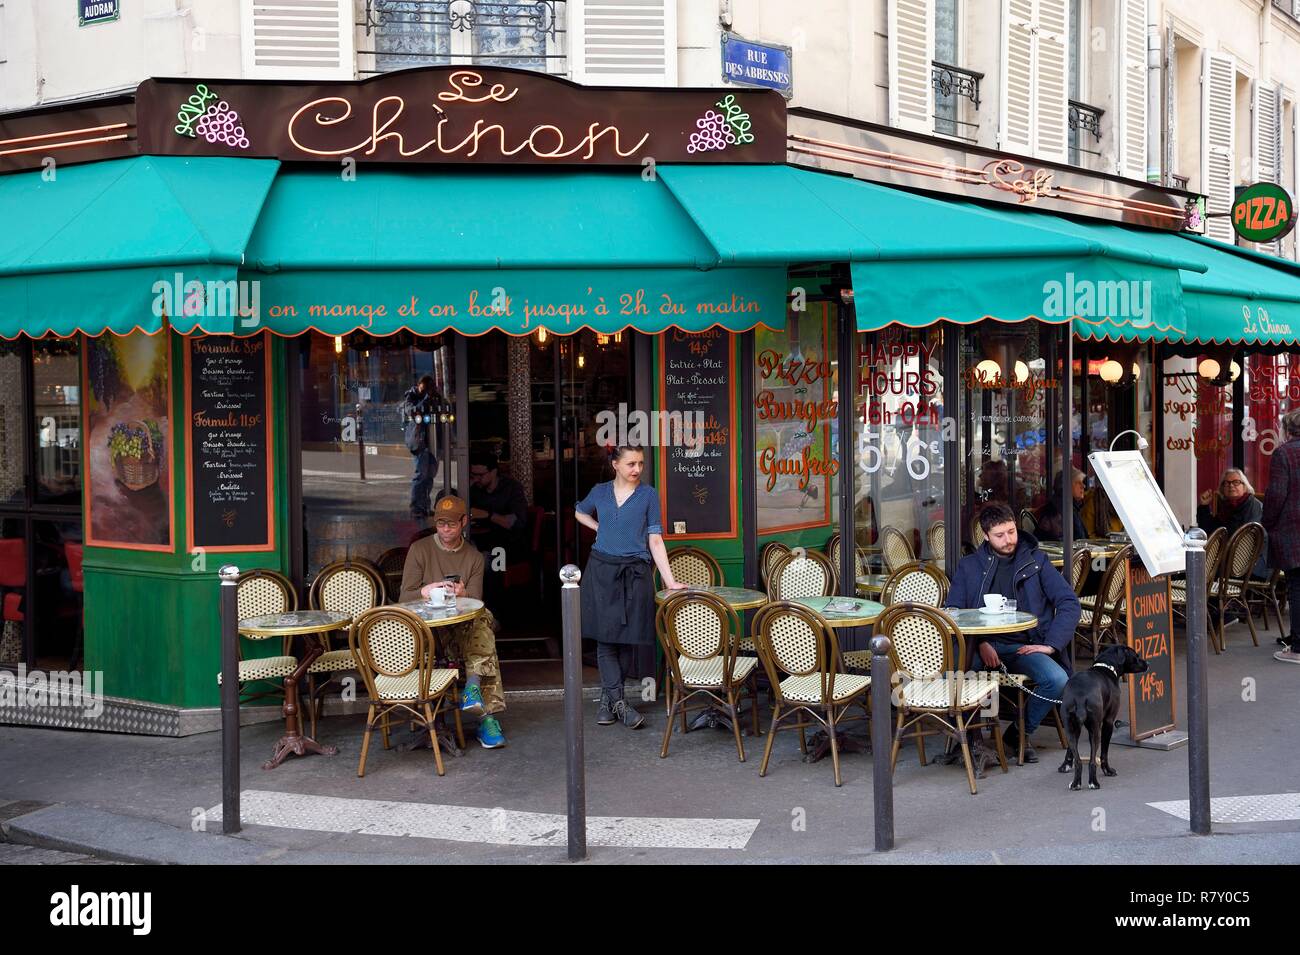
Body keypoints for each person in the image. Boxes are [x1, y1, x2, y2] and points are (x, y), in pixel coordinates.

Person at [946, 502, 1081, 762]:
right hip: (981, 646)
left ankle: (1018, 734)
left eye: (1011, 531)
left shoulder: (1037, 561)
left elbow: (1069, 603)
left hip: (1024, 645)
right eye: (999, 535)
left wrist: (1051, 644)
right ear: (985, 536)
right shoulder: (969, 566)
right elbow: (953, 612)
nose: (1008, 540)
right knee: (953, 674)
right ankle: (970, 739)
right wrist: (981, 641)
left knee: (1056, 679)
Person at [574, 445, 686, 729]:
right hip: (601, 570)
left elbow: (655, 538)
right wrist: (600, 528)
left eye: (640, 464)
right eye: (631, 464)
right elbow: (579, 512)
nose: (637, 469)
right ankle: (620, 704)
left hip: (635, 571)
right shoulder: (599, 491)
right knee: (605, 638)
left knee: (628, 638)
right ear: (615, 464)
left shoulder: (648, 494)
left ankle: (607, 700)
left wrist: (669, 580)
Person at [398, 495, 507, 748]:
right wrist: (425, 591)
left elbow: (477, 601)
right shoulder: (420, 549)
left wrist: (463, 593)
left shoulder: (474, 557)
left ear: (464, 522)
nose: (445, 529)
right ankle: (483, 713)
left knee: (483, 622)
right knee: (485, 636)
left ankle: (473, 691)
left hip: (462, 630)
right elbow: (404, 596)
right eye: (440, 523)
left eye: (451, 524)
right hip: (425, 632)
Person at [1263, 409, 1300, 664]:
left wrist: (1267, 523)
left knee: (1297, 586)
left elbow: (1276, 494)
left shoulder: (1284, 453)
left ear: (1288, 429)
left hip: (1293, 531)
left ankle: (1298, 646)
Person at [1198, 468, 1268, 579]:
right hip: (1229, 567)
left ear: (1245, 486)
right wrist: (1204, 506)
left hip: (1252, 569)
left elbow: (1249, 539)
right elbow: (1209, 532)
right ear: (1222, 488)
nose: (1231, 486)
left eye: (1236, 482)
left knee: (1199, 574)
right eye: (1227, 483)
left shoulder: (1253, 506)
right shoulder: (1227, 508)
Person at [468, 451, 529, 558]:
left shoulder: (511, 488)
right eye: (473, 475)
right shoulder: (474, 489)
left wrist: (488, 515)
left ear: (494, 472)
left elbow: (518, 523)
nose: (476, 479)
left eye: (480, 475)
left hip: (506, 547)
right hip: (479, 543)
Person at [403, 375, 440, 519]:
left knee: (429, 476)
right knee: (421, 475)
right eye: (425, 388)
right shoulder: (411, 397)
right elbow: (412, 411)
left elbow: (443, 408)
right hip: (419, 441)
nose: (427, 392)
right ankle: (416, 508)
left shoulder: (433, 397)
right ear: (419, 385)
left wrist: (436, 396)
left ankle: (425, 506)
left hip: (433, 441)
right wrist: (426, 399)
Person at [1036, 467, 1087, 541]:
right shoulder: (1061, 509)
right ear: (1066, 485)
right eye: (1078, 482)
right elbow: (1064, 543)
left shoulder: (1068, 505)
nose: (1083, 486)